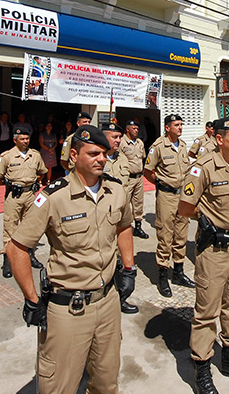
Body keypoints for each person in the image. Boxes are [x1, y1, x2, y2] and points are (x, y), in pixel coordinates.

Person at [7, 125, 136, 394]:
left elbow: (124, 226)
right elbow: (17, 248)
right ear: (74, 156)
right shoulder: (54, 196)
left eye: (103, 153)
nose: (101, 158)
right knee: (59, 386)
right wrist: (32, 299)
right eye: (92, 153)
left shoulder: (116, 190)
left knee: (106, 381)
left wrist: (128, 268)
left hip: (108, 302)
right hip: (69, 309)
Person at [178, 117, 229, 393]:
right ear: (219, 139)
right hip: (214, 246)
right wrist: (205, 218)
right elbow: (184, 207)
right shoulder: (201, 168)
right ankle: (202, 367)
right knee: (207, 308)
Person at [144, 114, 195, 296]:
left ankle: (179, 272)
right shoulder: (158, 146)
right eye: (177, 125)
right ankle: (163, 275)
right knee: (165, 236)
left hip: (182, 196)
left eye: (181, 124)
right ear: (167, 128)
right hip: (166, 196)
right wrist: (161, 183)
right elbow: (148, 171)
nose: (180, 128)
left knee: (181, 234)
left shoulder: (181, 145)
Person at [0, 127, 47, 278]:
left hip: (30, 194)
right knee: (10, 226)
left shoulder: (34, 155)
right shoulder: (7, 156)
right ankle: (8, 260)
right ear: (14, 140)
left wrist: (36, 182)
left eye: (27, 139)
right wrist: (9, 184)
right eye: (22, 139)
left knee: (30, 226)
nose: (25, 141)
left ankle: (29, 255)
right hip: (14, 196)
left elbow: (42, 171)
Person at [101, 122, 138, 315]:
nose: (118, 140)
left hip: (121, 216)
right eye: (114, 137)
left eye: (119, 136)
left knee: (120, 259)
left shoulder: (122, 158)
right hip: (102, 218)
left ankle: (120, 297)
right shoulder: (97, 159)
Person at [120, 120, 149, 239]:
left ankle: (138, 227)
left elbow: (142, 158)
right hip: (127, 179)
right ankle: (124, 227)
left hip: (138, 178)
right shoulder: (122, 143)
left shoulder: (139, 143)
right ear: (127, 129)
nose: (136, 130)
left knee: (138, 203)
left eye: (137, 129)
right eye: (134, 128)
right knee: (124, 203)